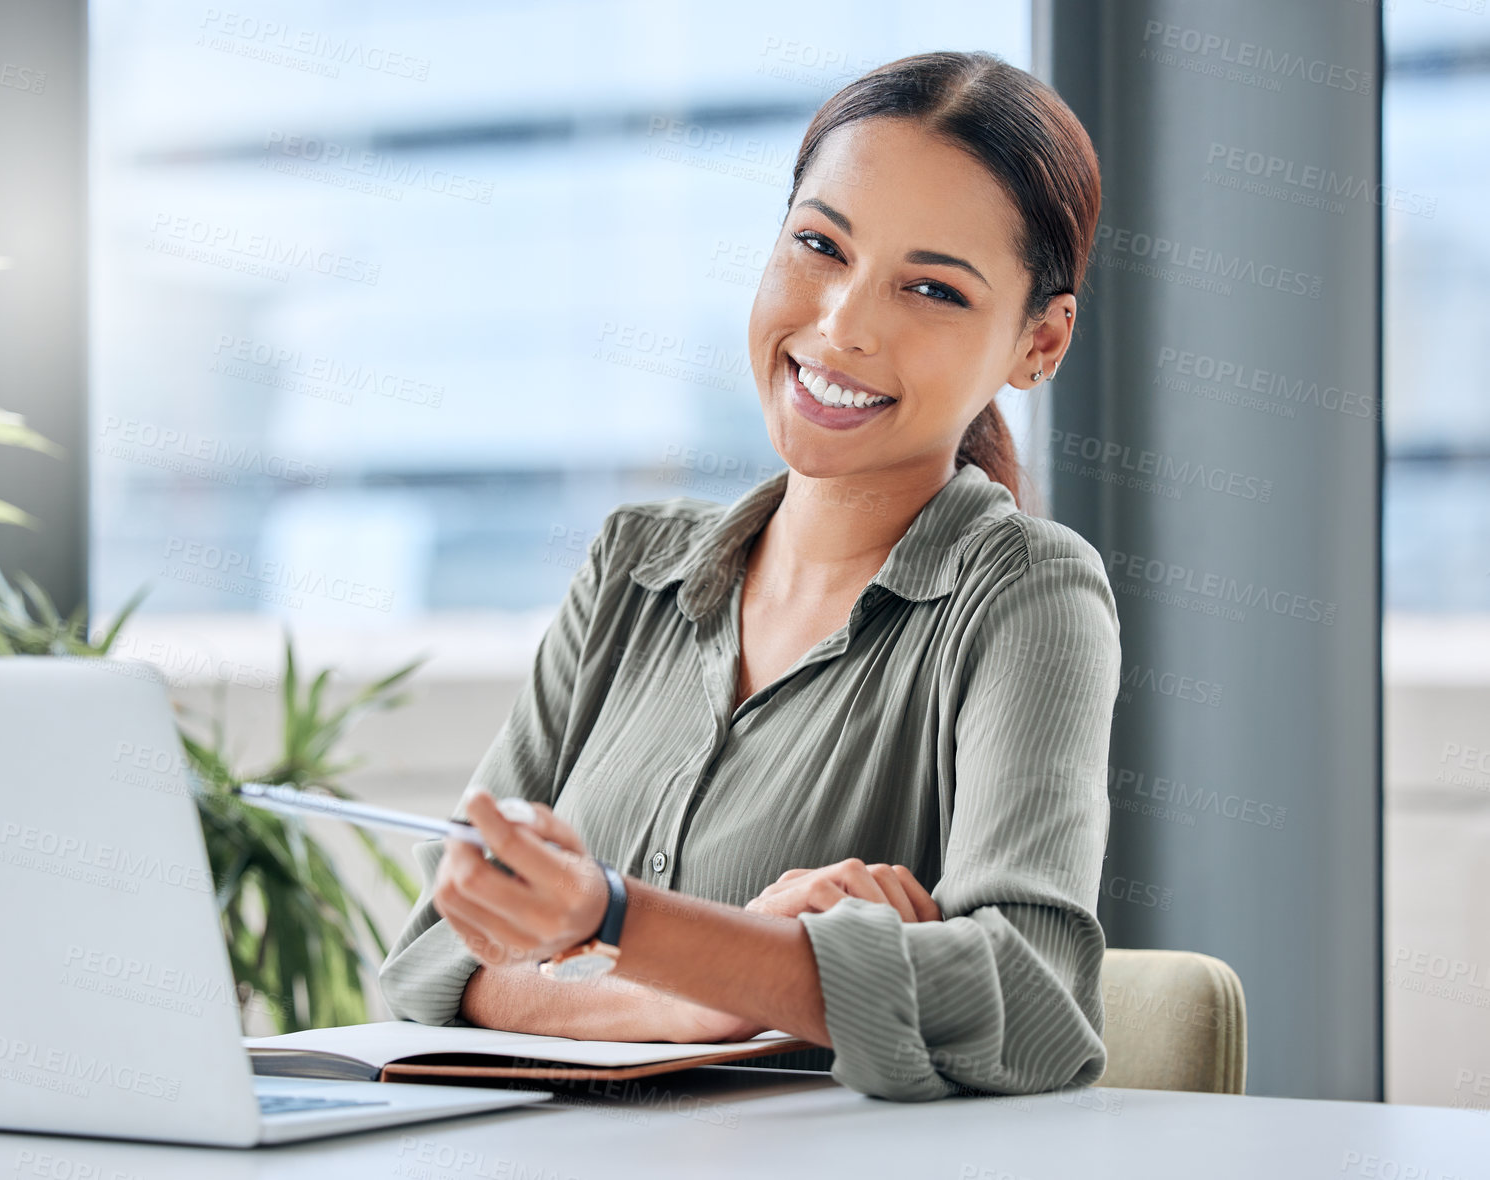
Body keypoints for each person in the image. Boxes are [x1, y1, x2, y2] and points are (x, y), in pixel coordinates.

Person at [379, 50, 1121, 1102]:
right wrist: (700, 994)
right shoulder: (634, 567)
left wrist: (607, 924)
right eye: (820, 245)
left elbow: (1031, 999)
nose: (843, 324)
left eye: (932, 288)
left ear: (1039, 343)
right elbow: (436, 957)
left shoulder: (1026, 595)